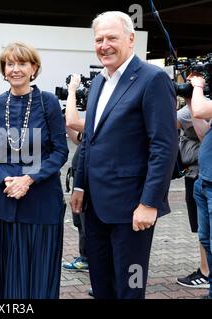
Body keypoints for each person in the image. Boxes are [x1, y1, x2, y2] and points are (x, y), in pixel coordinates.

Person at [70, 11, 178, 299]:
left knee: (130, 286)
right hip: (94, 208)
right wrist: (79, 184)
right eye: (99, 39)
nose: (104, 45)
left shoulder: (152, 79)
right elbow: (90, 139)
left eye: (111, 38)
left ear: (130, 39)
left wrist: (149, 203)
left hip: (132, 210)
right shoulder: (98, 83)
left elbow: (163, 146)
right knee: (102, 284)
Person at [0, 42, 68, 299]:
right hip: (6, 197)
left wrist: (30, 178)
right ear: (4, 69)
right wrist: (5, 178)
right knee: (6, 270)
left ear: (34, 68)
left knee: (39, 270)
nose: (15, 69)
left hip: (42, 200)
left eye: (22, 63)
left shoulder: (48, 102)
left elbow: (60, 151)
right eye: (10, 64)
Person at [175, 98, 210, 289]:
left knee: (204, 230)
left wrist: (190, 100)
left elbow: (170, 121)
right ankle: (206, 271)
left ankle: (206, 272)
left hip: (201, 173)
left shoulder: (197, 106)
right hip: (195, 172)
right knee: (202, 230)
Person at [63, 74, 89, 273]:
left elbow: (73, 121)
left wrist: (72, 90)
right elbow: (78, 139)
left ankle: (90, 258)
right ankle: (85, 256)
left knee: (87, 221)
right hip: (79, 177)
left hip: (89, 180)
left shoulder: (99, 115)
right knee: (80, 220)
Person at [190, 73, 212, 299]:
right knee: (206, 240)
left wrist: (198, 86)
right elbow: (204, 132)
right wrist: (189, 98)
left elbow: (199, 110)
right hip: (204, 181)